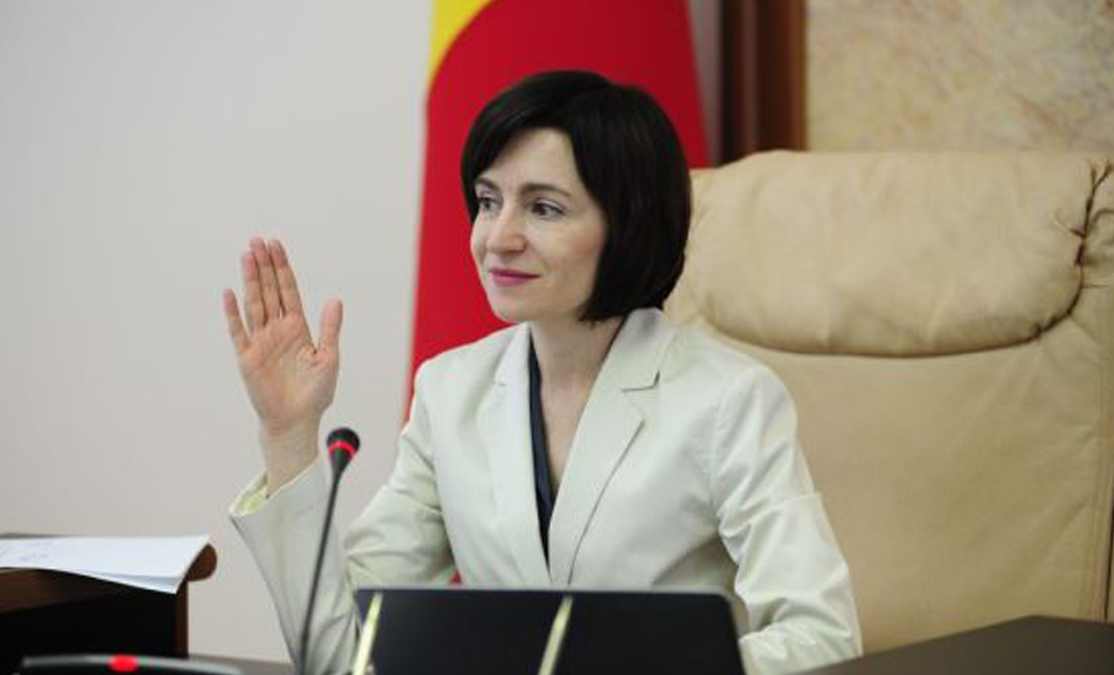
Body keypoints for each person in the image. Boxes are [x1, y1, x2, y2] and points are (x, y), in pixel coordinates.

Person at [223, 70, 861, 675]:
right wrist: (288, 434)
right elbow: (340, 655)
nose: (498, 237)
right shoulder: (450, 393)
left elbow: (822, 637)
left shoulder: (729, 400)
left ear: (627, 227)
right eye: (488, 201)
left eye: (544, 209)